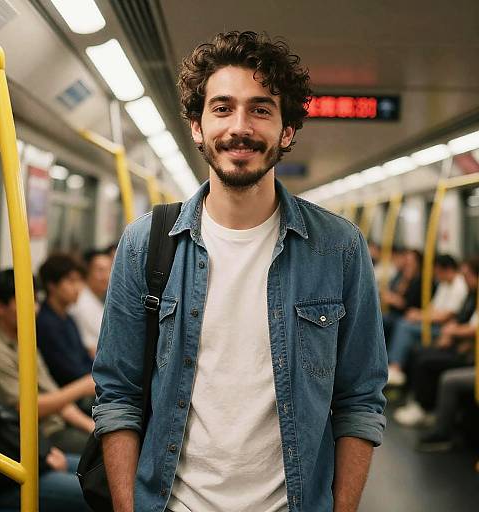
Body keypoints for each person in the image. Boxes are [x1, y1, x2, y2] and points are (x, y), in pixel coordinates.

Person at [92, 31, 387, 512]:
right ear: (197, 125)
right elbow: (118, 396)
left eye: (261, 109)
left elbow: (360, 400)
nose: (240, 126)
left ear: (286, 131)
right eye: (223, 107)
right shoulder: (146, 244)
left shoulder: (339, 248)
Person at [0, 269, 92, 511]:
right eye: (24, 300)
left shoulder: (23, 340)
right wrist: (82, 386)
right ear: (0, 307)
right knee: (99, 490)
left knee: (107, 471)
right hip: (18, 452)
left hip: (42, 440)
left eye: (35, 300)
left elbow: (54, 396)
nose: (34, 308)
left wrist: (92, 428)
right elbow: (26, 409)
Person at [393, 257, 478, 426]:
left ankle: (425, 408)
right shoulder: (471, 294)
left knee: (426, 360)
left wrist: (451, 331)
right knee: (418, 351)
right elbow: (461, 319)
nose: (465, 279)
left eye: (467, 275)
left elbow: (467, 325)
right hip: (457, 340)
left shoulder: (463, 290)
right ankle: (417, 401)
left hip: (465, 348)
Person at [387, 254, 468, 385]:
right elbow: (433, 307)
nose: (436, 275)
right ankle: (395, 366)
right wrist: (419, 314)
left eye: (437, 271)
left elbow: (446, 316)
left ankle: (396, 366)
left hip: (443, 328)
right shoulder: (444, 284)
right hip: (434, 323)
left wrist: (419, 316)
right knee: (404, 324)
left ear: (446, 270)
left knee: (404, 326)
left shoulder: (459, 286)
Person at [37, 252, 94, 387]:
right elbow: (68, 370)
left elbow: (83, 358)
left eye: (80, 281)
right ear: (52, 285)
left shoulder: (68, 318)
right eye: (71, 281)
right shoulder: (45, 323)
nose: (77, 288)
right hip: (66, 390)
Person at [70, 249, 112, 357]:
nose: (107, 276)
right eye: (100, 270)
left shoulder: (98, 299)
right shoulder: (81, 303)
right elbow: (91, 349)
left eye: (110, 269)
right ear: (87, 271)